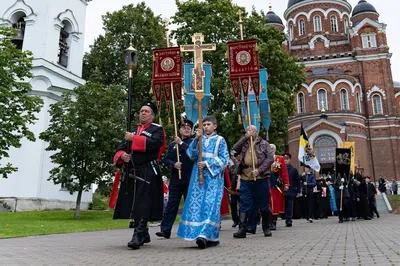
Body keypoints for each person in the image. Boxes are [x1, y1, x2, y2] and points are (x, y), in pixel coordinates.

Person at [113, 101, 166, 250]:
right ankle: (143, 232)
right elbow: (121, 148)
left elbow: (155, 144)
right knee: (135, 203)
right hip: (132, 171)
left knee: (143, 203)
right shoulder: (132, 130)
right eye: (141, 110)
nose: (143, 113)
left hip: (148, 170)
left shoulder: (157, 129)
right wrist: (122, 155)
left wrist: (134, 139)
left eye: (146, 111)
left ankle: (138, 234)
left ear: (153, 115)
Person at [177, 115, 229, 249]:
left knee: (210, 205)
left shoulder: (220, 140)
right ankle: (206, 236)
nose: (206, 127)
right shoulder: (199, 139)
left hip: (213, 178)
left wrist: (207, 163)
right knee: (197, 205)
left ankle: (204, 235)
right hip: (197, 177)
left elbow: (224, 159)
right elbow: (191, 155)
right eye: (204, 125)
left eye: (208, 124)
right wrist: (196, 139)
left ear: (214, 126)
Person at [231, 125, 275, 238]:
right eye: (248, 130)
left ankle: (266, 227)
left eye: (252, 130)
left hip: (260, 178)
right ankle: (242, 229)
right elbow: (234, 150)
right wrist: (245, 137)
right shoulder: (244, 143)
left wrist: (259, 170)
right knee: (244, 204)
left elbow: (270, 158)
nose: (249, 131)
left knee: (264, 204)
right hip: (246, 177)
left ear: (256, 132)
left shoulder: (264, 143)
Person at [156, 119, 194, 239]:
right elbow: (166, 160)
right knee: (172, 204)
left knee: (190, 205)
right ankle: (165, 229)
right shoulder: (173, 145)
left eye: (189, 128)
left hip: (189, 179)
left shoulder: (193, 142)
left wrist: (181, 144)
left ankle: (191, 229)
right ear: (180, 130)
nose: (186, 130)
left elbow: (193, 154)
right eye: (184, 128)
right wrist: (173, 164)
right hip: (176, 179)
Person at [283, 153, 299, 227]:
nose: (285, 160)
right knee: (283, 205)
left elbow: (297, 181)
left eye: (287, 159)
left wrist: (298, 191)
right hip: (281, 190)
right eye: (284, 159)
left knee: (289, 205)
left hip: (291, 190)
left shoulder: (293, 170)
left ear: (289, 160)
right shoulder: (279, 169)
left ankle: (288, 220)